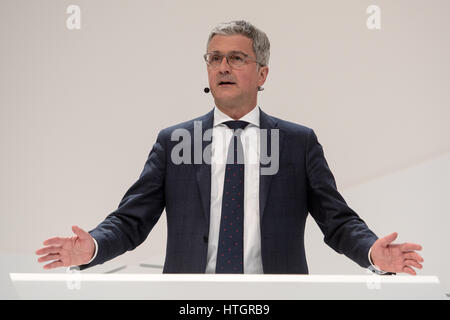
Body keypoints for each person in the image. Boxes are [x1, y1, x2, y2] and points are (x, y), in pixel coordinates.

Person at [36, 20, 424, 275]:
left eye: (236, 58)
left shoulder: (298, 143)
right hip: (192, 302)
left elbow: (337, 221)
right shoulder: (174, 142)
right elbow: (131, 220)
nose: (223, 66)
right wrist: (91, 247)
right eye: (215, 58)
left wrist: (374, 253)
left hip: (274, 300)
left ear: (262, 73)